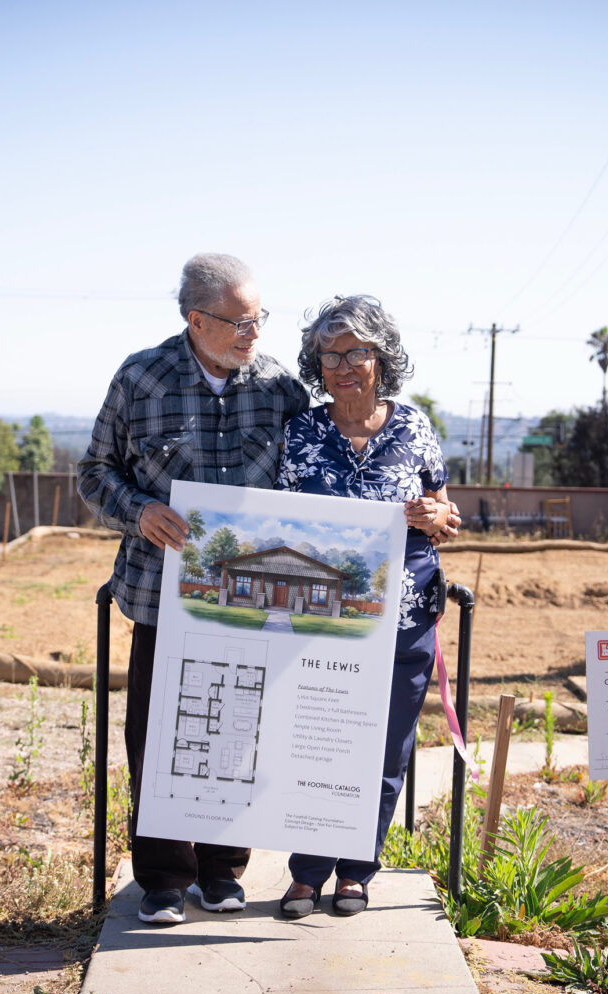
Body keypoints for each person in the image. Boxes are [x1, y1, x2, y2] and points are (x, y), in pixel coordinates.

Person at [77, 253, 309, 925]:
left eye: (259, 318)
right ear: (195, 320)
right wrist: (139, 511)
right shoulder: (141, 377)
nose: (253, 334)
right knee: (157, 736)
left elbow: (318, 472)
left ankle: (222, 870)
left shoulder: (278, 387)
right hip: (161, 594)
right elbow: (95, 472)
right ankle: (162, 879)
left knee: (239, 732)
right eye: (239, 322)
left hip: (253, 599)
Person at [275, 294, 457, 918]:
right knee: (315, 747)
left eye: (358, 353)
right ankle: (305, 873)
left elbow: (445, 509)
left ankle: (356, 870)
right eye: (331, 355)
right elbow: (275, 523)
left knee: (384, 750)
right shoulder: (300, 432)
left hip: (403, 623)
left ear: (382, 359)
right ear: (316, 363)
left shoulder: (413, 427)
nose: (344, 366)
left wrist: (436, 515)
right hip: (318, 625)